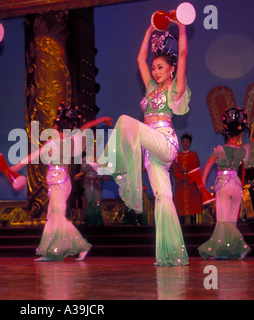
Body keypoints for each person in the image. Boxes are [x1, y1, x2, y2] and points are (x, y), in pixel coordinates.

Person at [95, 15, 190, 266]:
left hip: (164, 142)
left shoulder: (175, 88)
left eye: (161, 67)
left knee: (126, 121)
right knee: (162, 197)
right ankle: (170, 253)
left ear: (171, 69)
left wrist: (180, 25)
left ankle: (106, 163)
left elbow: (182, 52)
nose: (157, 71)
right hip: (151, 152)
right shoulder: (150, 89)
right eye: (155, 67)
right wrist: (149, 30)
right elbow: (139, 59)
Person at [0, 104, 112, 261]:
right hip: (61, 181)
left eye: (54, 126)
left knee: (57, 215)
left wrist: (14, 167)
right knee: (52, 216)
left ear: (57, 128)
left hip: (59, 182)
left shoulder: (53, 144)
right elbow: (85, 127)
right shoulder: (74, 141)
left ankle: (82, 247)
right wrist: (103, 119)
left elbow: (32, 157)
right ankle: (50, 251)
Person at [198, 107, 254, 260]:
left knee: (222, 220)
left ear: (227, 133)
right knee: (232, 220)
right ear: (240, 133)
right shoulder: (242, 150)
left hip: (223, 184)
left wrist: (202, 183)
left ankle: (226, 249)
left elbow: (208, 165)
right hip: (236, 186)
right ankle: (231, 251)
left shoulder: (221, 149)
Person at [172, 133, 202, 224]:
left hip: (190, 183)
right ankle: (181, 224)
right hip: (180, 183)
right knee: (180, 205)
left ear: (190, 143)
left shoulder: (194, 155)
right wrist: (180, 177)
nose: (185, 143)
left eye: (187, 142)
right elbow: (175, 167)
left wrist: (188, 176)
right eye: (183, 142)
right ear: (181, 143)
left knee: (192, 204)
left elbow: (195, 167)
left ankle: (193, 224)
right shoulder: (177, 155)